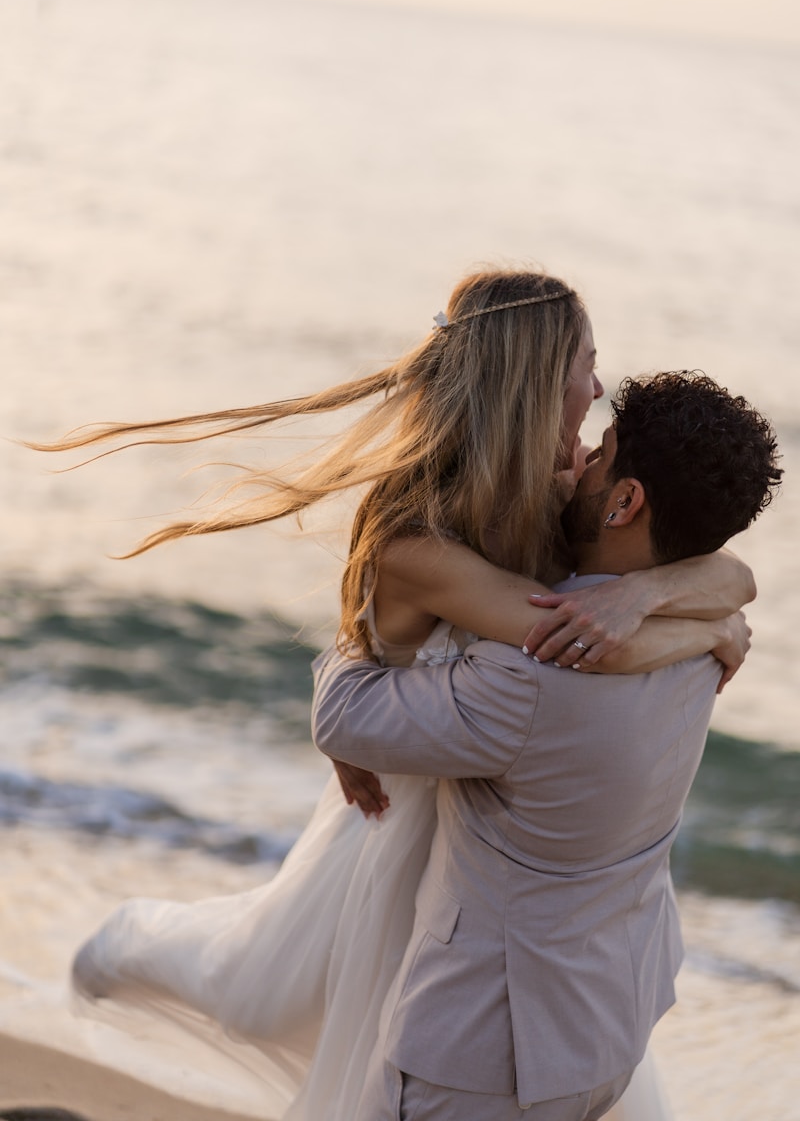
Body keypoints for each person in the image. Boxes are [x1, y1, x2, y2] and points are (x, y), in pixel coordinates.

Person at [34, 269, 755, 1118]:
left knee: (424, 1025)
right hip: (402, 795)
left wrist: (649, 593)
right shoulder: (431, 533)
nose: (596, 388)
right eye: (585, 366)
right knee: (275, 991)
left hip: (480, 795)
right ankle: (116, 949)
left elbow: (721, 576)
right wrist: (705, 627)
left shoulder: (554, 492)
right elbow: (577, 643)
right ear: (531, 382)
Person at [312, 370, 782, 1121]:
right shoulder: (707, 635)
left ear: (625, 502)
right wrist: (664, 597)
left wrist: (392, 598)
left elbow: (342, 714)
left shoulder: (531, 676)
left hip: (480, 1055)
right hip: (610, 1022)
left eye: (601, 456)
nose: (581, 461)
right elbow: (732, 580)